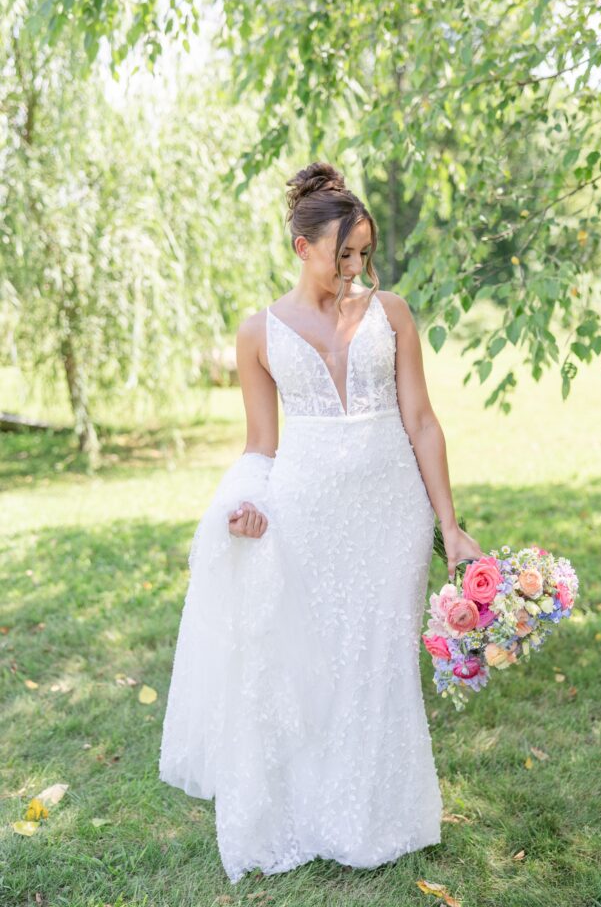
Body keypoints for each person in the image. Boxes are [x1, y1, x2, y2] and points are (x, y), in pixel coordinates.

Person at [159, 161, 483, 883]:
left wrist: (449, 524)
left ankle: (379, 818)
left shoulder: (390, 314)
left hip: (390, 510)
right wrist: (246, 504)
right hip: (305, 513)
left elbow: (422, 421)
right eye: (343, 254)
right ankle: (308, 810)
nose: (355, 267)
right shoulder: (257, 334)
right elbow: (259, 447)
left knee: (381, 661)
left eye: (364, 253)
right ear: (301, 246)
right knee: (312, 662)